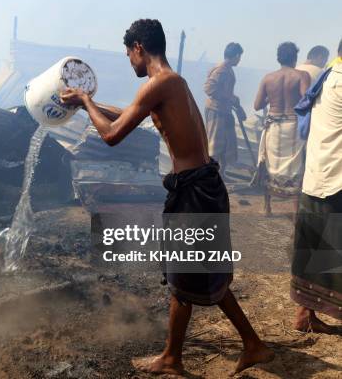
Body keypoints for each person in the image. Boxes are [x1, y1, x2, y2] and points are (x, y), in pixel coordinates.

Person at [60, 19, 273, 376]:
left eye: (129, 54)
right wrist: (88, 105)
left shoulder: (158, 84)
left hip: (194, 192)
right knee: (200, 271)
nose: (130, 62)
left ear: (140, 48)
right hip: (203, 187)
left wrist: (83, 99)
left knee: (184, 275)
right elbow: (128, 116)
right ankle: (252, 345)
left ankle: (174, 358)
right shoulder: (173, 83)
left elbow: (112, 134)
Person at [291, 38, 342, 333]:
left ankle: (304, 314)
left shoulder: (327, 77)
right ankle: (305, 314)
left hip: (318, 175)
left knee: (313, 245)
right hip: (335, 179)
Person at [252, 42, 310, 215]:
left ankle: (267, 207)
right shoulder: (301, 75)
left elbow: (257, 105)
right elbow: (306, 102)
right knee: (295, 167)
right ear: (295, 58)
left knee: (270, 164)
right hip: (292, 127)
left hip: (273, 126)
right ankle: (295, 212)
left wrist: (272, 98)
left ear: (279, 57)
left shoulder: (268, 78)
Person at [203, 42, 247, 178]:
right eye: (239, 57)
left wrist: (234, 100)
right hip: (216, 111)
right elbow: (209, 89)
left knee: (227, 144)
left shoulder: (227, 69)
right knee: (215, 146)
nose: (240, 60)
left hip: (224, 111)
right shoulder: (221, 70)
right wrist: (230, 98)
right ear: (236, 55)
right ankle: (210, 176)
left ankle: (220, 174)